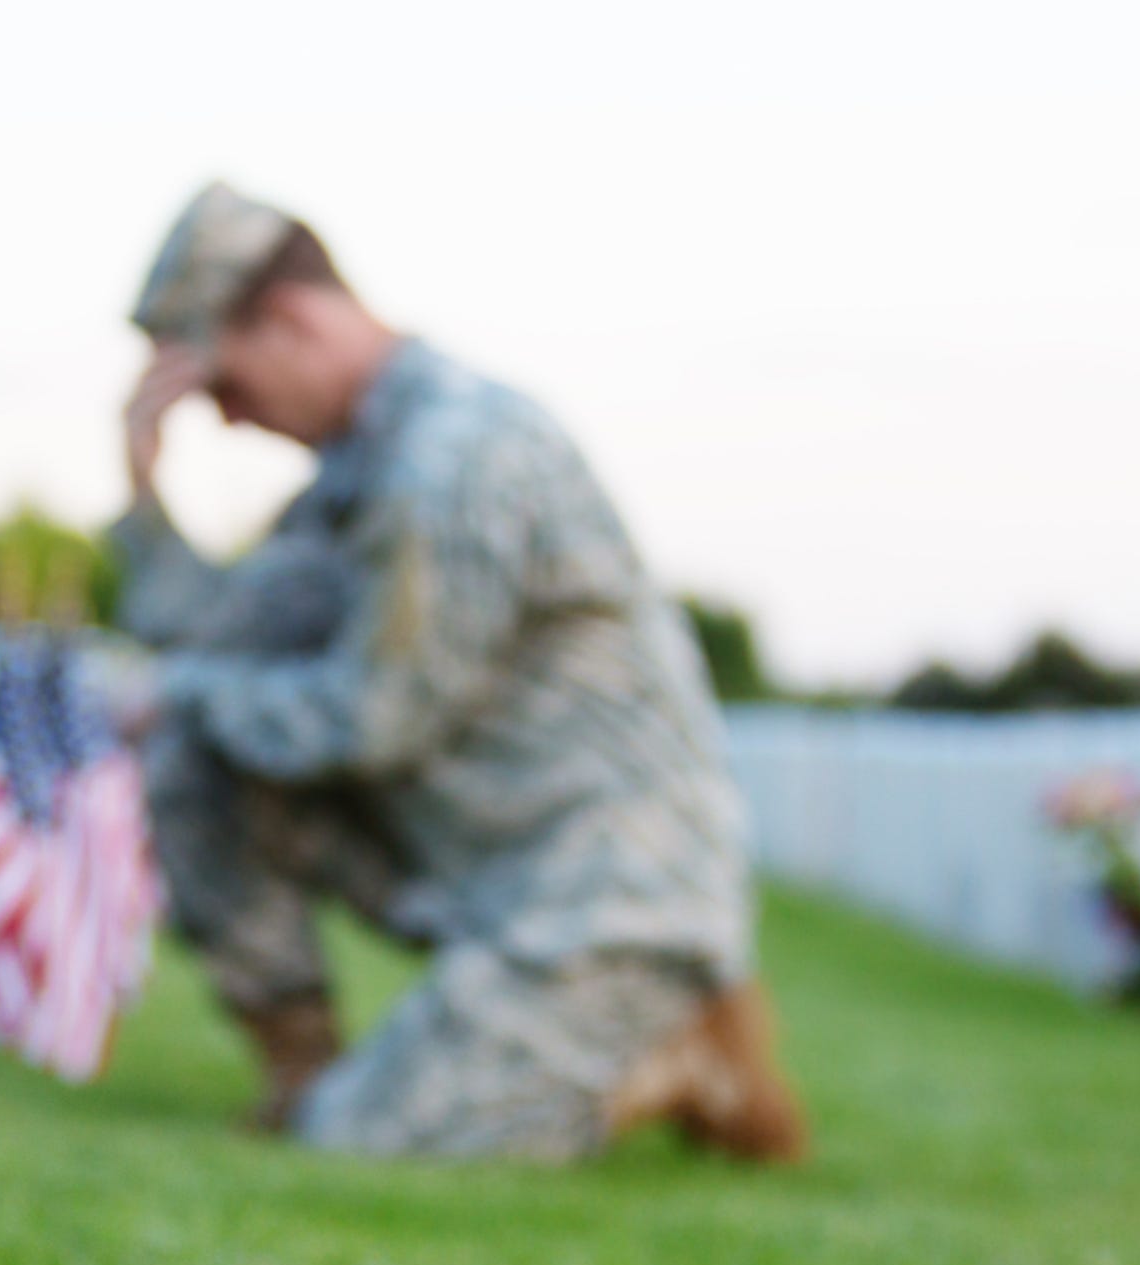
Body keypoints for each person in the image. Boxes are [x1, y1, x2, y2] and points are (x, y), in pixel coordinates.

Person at [111, 181, 808, 1162]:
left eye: (224, 387)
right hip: (479, 858)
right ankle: (301, 1074)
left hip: (605, 894)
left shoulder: (453, 460)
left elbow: (369, 722)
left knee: (365, 1139)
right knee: (195, 744)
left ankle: (674, 1052)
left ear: (290, 321)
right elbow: (214, 650)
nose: (225, 422)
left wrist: (169, 696)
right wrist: (143, 494)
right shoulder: (357, 471)